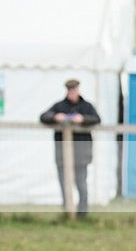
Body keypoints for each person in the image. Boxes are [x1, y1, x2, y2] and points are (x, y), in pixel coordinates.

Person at [39, 79, 101, 218]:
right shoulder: (59, 106)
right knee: (64, 185)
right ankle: (67, 212)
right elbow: (43, 116)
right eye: (70, 90)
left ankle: (82, 213)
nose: (72, 93)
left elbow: (96, 119)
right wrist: (56, 117)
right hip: (62, 155)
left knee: (81, 185)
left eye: (74, 90)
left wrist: (82, 119)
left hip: (81, 154)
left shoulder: (86, 106)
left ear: (78, 90)